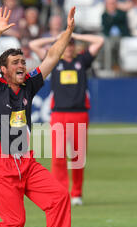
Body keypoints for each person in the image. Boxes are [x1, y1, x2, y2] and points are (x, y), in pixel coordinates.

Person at [0, 6, 77, 227]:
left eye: (23, 62)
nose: (22, 66)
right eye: (16, 64)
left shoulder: (29, 84)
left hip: (25, 163)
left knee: (59, 197)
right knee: (15, 220)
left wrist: (67, 32)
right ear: (4, 70)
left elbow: (53, 55)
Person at [29, 33, 104, 206]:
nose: (69, 47)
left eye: (71, 44)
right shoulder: (54, 60)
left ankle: (76, 193)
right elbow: (34, 44)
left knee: (77, 156)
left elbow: (99, 40)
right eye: (66, 44)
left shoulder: (82, 60)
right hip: (59, 114)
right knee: (58, 156)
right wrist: (55, 38)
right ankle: (60, 193)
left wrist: (75, 34)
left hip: (79, 113)